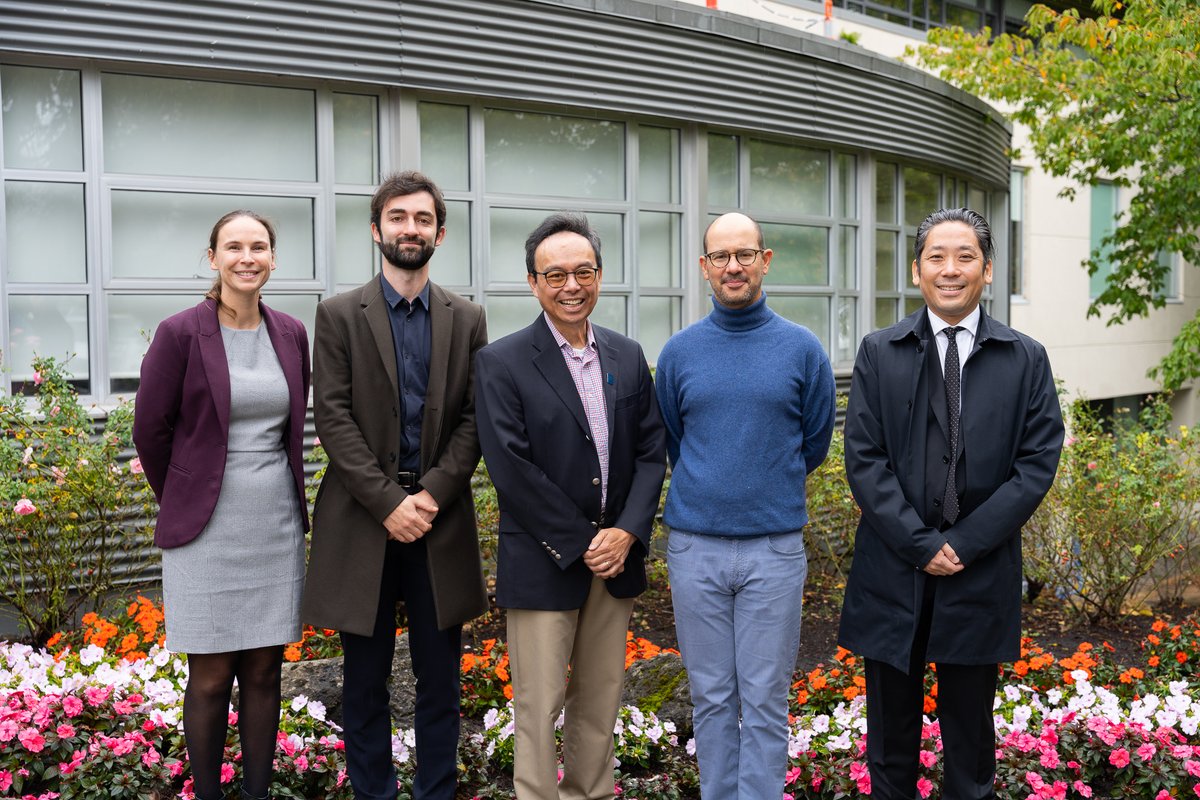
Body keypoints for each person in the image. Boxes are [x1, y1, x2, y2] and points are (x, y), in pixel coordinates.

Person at [839, 207, 1064, 800]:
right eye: (937, 257)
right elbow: (864, 459)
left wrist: (961, 544)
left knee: (971, 749)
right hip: (894, 570)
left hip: (978, 569)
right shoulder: (879, 351)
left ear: (987, 270)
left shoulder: (1025, 358)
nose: (950, 269)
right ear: (917, 270)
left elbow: (1036, 464)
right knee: (889, 750)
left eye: (965, 257)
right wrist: (920, 544)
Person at [300, 171, 487, 800]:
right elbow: (333, 416)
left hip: (439, 521)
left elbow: (473, 419)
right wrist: (388, 503)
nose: (412, 228)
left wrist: (430, 494)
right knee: (365, 681)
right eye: (399, 217)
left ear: (440, 230)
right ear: (376, 228)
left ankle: (437, 791)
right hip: (365, 521)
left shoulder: (468, 318)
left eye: (424, 218)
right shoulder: (337, 315)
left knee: (442, 682)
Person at [474, 212, 667, 800]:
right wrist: (586, 540)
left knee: (600, 699)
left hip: (617, 561)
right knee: (538, 707)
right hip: (544, 560)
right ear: (533, 282)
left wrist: (628, 533)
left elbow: (653, 452)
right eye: (555, 273)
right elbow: (511, 468)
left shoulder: (627, 354)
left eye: (583, 271)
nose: (571, 284)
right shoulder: (502, 361)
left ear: (600, 276)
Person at [654, 211, 836, 799]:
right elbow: (675, 442)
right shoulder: (679, 353)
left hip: (774, 550)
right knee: (710, 698)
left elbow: (813, 444)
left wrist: (759, 484)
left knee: (764, 700)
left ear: (765, 259)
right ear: (704, 266)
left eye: (744, 254)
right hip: (694, 549)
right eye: (720, 256)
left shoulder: (803, 351)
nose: (733, 266)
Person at [134, 210, 311, 800]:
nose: (246, 257)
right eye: (233, 247)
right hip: (204, 530)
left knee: (264, 671)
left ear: (273, 258)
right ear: (212, 258)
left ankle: (258, 794)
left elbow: (291, 427)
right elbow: (149, 431)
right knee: (211, 677)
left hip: (275, 524)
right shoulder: (181, 332)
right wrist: (185, 494)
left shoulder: (290, 333)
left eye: (258, 246)